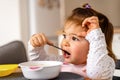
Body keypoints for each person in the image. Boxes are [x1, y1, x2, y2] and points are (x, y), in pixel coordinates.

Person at [28, 3, 116, 80]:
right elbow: (40, 62)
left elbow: (95, 73)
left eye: (74, 38)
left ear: (95, 44)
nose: (65, 42)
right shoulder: (61, 62)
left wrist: (95, 36)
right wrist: (36, 46)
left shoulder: (104, 65)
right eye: (65, 36)